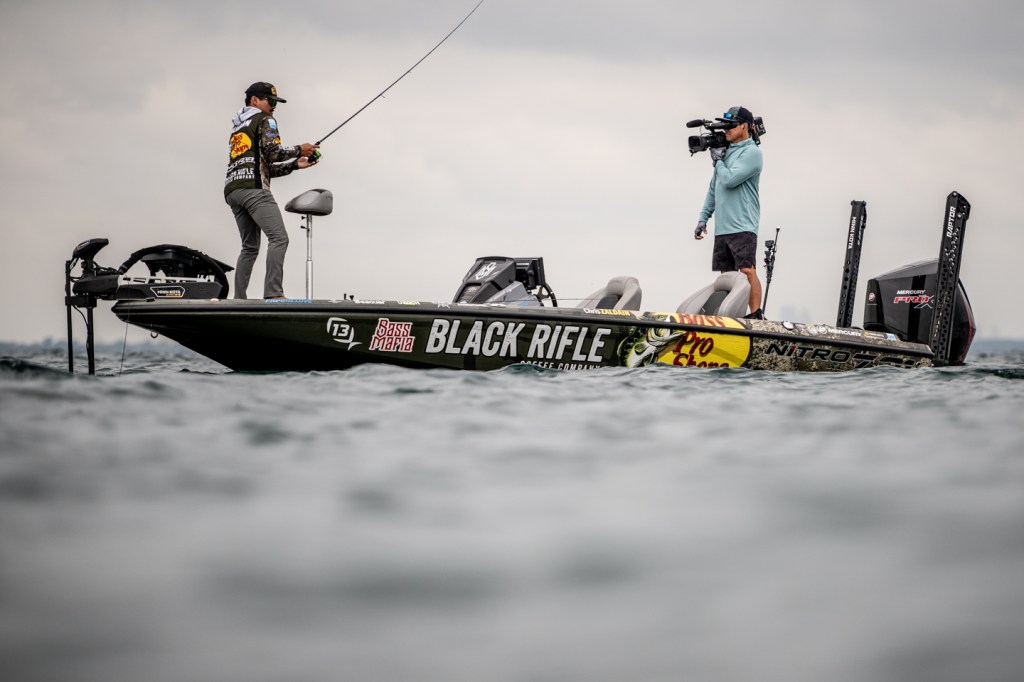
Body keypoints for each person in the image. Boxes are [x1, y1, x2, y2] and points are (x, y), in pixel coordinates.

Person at [225, 82, 319, 299]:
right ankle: (273, 293)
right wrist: (300, 149)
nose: (274, 106)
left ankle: (239, 300)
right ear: (254, 100)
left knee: (249, 247)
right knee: (279, 238)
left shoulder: (238, 127)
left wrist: (295, 165)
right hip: (254, 191)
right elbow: (273, 153)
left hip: (233, 191)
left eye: (276, 102)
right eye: (270, 101)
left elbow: (262, 167)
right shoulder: (265, 119)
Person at [693, 105, 765, 319]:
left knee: (747, 270)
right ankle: (733, 316)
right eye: (725, 127)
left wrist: (718, 161)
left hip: (743, 224)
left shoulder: (752, 153)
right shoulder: (725, 153)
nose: (727, 130)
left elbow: (730, 179)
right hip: (723, 227)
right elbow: (713, 188)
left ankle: (756, 315)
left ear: (744, 127)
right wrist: (703, 218)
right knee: (728, 277)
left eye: (731, 126)